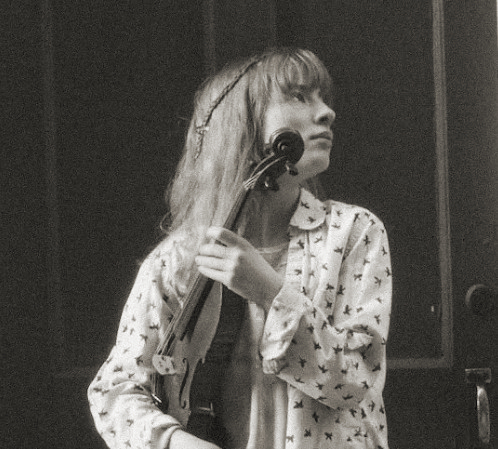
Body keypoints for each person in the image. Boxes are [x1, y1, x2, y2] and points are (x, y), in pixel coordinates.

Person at [88, 47, 392, 449]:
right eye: (298, 96)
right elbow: (114, 392)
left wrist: (270, 292)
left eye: (323, 98)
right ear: (242, 124)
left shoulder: (352, 233)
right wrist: (175, 443)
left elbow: (355, 381)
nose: (326, 112)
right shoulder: (178, 259)